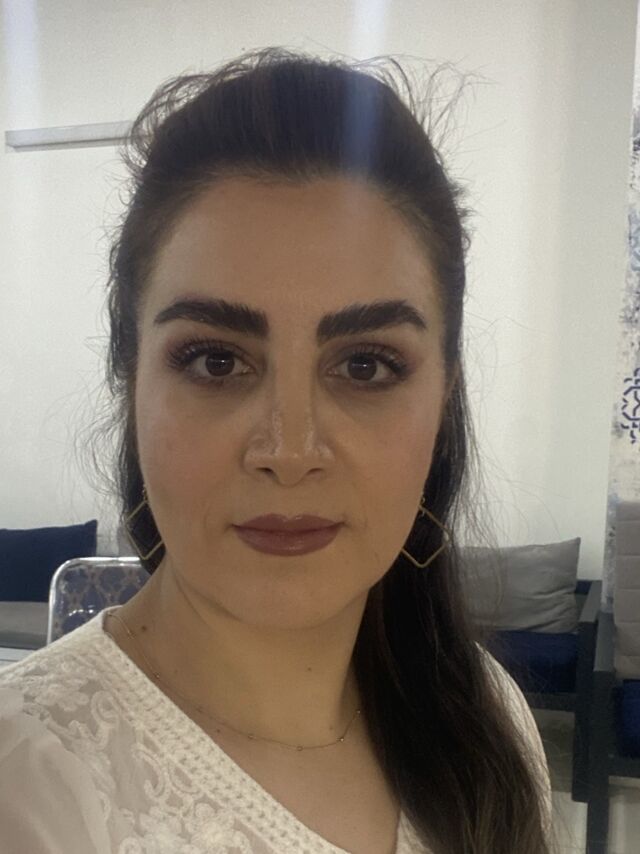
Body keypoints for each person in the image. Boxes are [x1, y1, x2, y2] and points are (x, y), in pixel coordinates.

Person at [0, 47, 553, 854]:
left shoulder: (486, 716)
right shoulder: (26, 793)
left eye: (366, 366)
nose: (289, 452)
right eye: (216, 361)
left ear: (444, 395)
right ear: (130, 376)